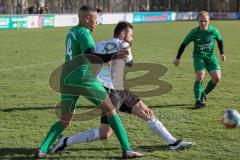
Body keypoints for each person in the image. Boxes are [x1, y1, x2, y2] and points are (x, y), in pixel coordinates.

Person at [50, 21, 194, 155]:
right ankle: (65, 141)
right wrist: (126, 49)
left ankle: (173, 142)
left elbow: (91, 58)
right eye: (130, 35)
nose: (131, 38)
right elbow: (130, 63)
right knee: (105, 133)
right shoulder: (124, 46)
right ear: (123, 34)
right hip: (112, 92)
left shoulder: (99, 45)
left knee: (145, 113)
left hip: (111, 90)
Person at [34, 6, 143, 159]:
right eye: (95, 19)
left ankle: (42, 149)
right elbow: (92, 56)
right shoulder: (85, 33)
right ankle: (127, 149)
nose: (96, 22)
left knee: (65, 119)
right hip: (82, 77)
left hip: (66, 78)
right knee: (111, 111)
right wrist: (116, 55)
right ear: (86, 19)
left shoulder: (71, 31)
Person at [173, 11, 226, 108]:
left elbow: (220, 40)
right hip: (198, 57)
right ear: (198, 21)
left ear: (209, 21)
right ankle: (198, 101)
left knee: (217, 77)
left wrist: (222, 53)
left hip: (210, 57)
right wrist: (178, 58)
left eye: (205, 21)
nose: (203, 23)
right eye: (201, 21)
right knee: (200, 76)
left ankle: (203, 94)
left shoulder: (213, 31)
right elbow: (184, 44)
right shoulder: (194, 32)